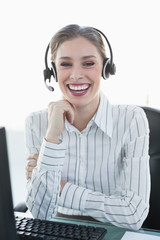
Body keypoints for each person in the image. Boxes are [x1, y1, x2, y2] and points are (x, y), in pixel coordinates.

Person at [25, 24, 150, 230]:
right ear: (53, 71)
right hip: (57, 230)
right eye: (65, 64)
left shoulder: (131, 119)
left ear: (106, 68)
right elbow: (40, 212)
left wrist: (61, 189)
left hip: (112, 232)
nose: (75, 75)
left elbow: (133, 215)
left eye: (88, 63)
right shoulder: (37, 123)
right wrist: (52, 136)